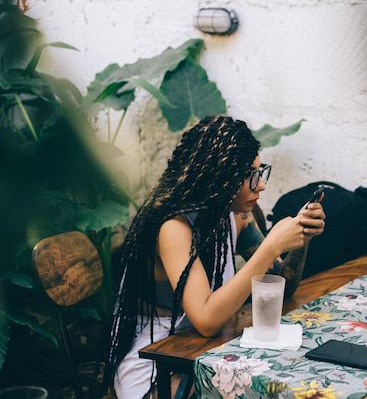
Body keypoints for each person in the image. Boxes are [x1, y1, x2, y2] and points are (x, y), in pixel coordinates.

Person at [102, 115, 326, 398]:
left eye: (260, 172)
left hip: (205, 349)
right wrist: (271, 246)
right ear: (220, 176)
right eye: (250, 175)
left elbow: (281, 288)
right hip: (155, 357)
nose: (261, 185)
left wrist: (300, 239)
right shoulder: (174, 227)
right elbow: (206, 320)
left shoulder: (234, 217)